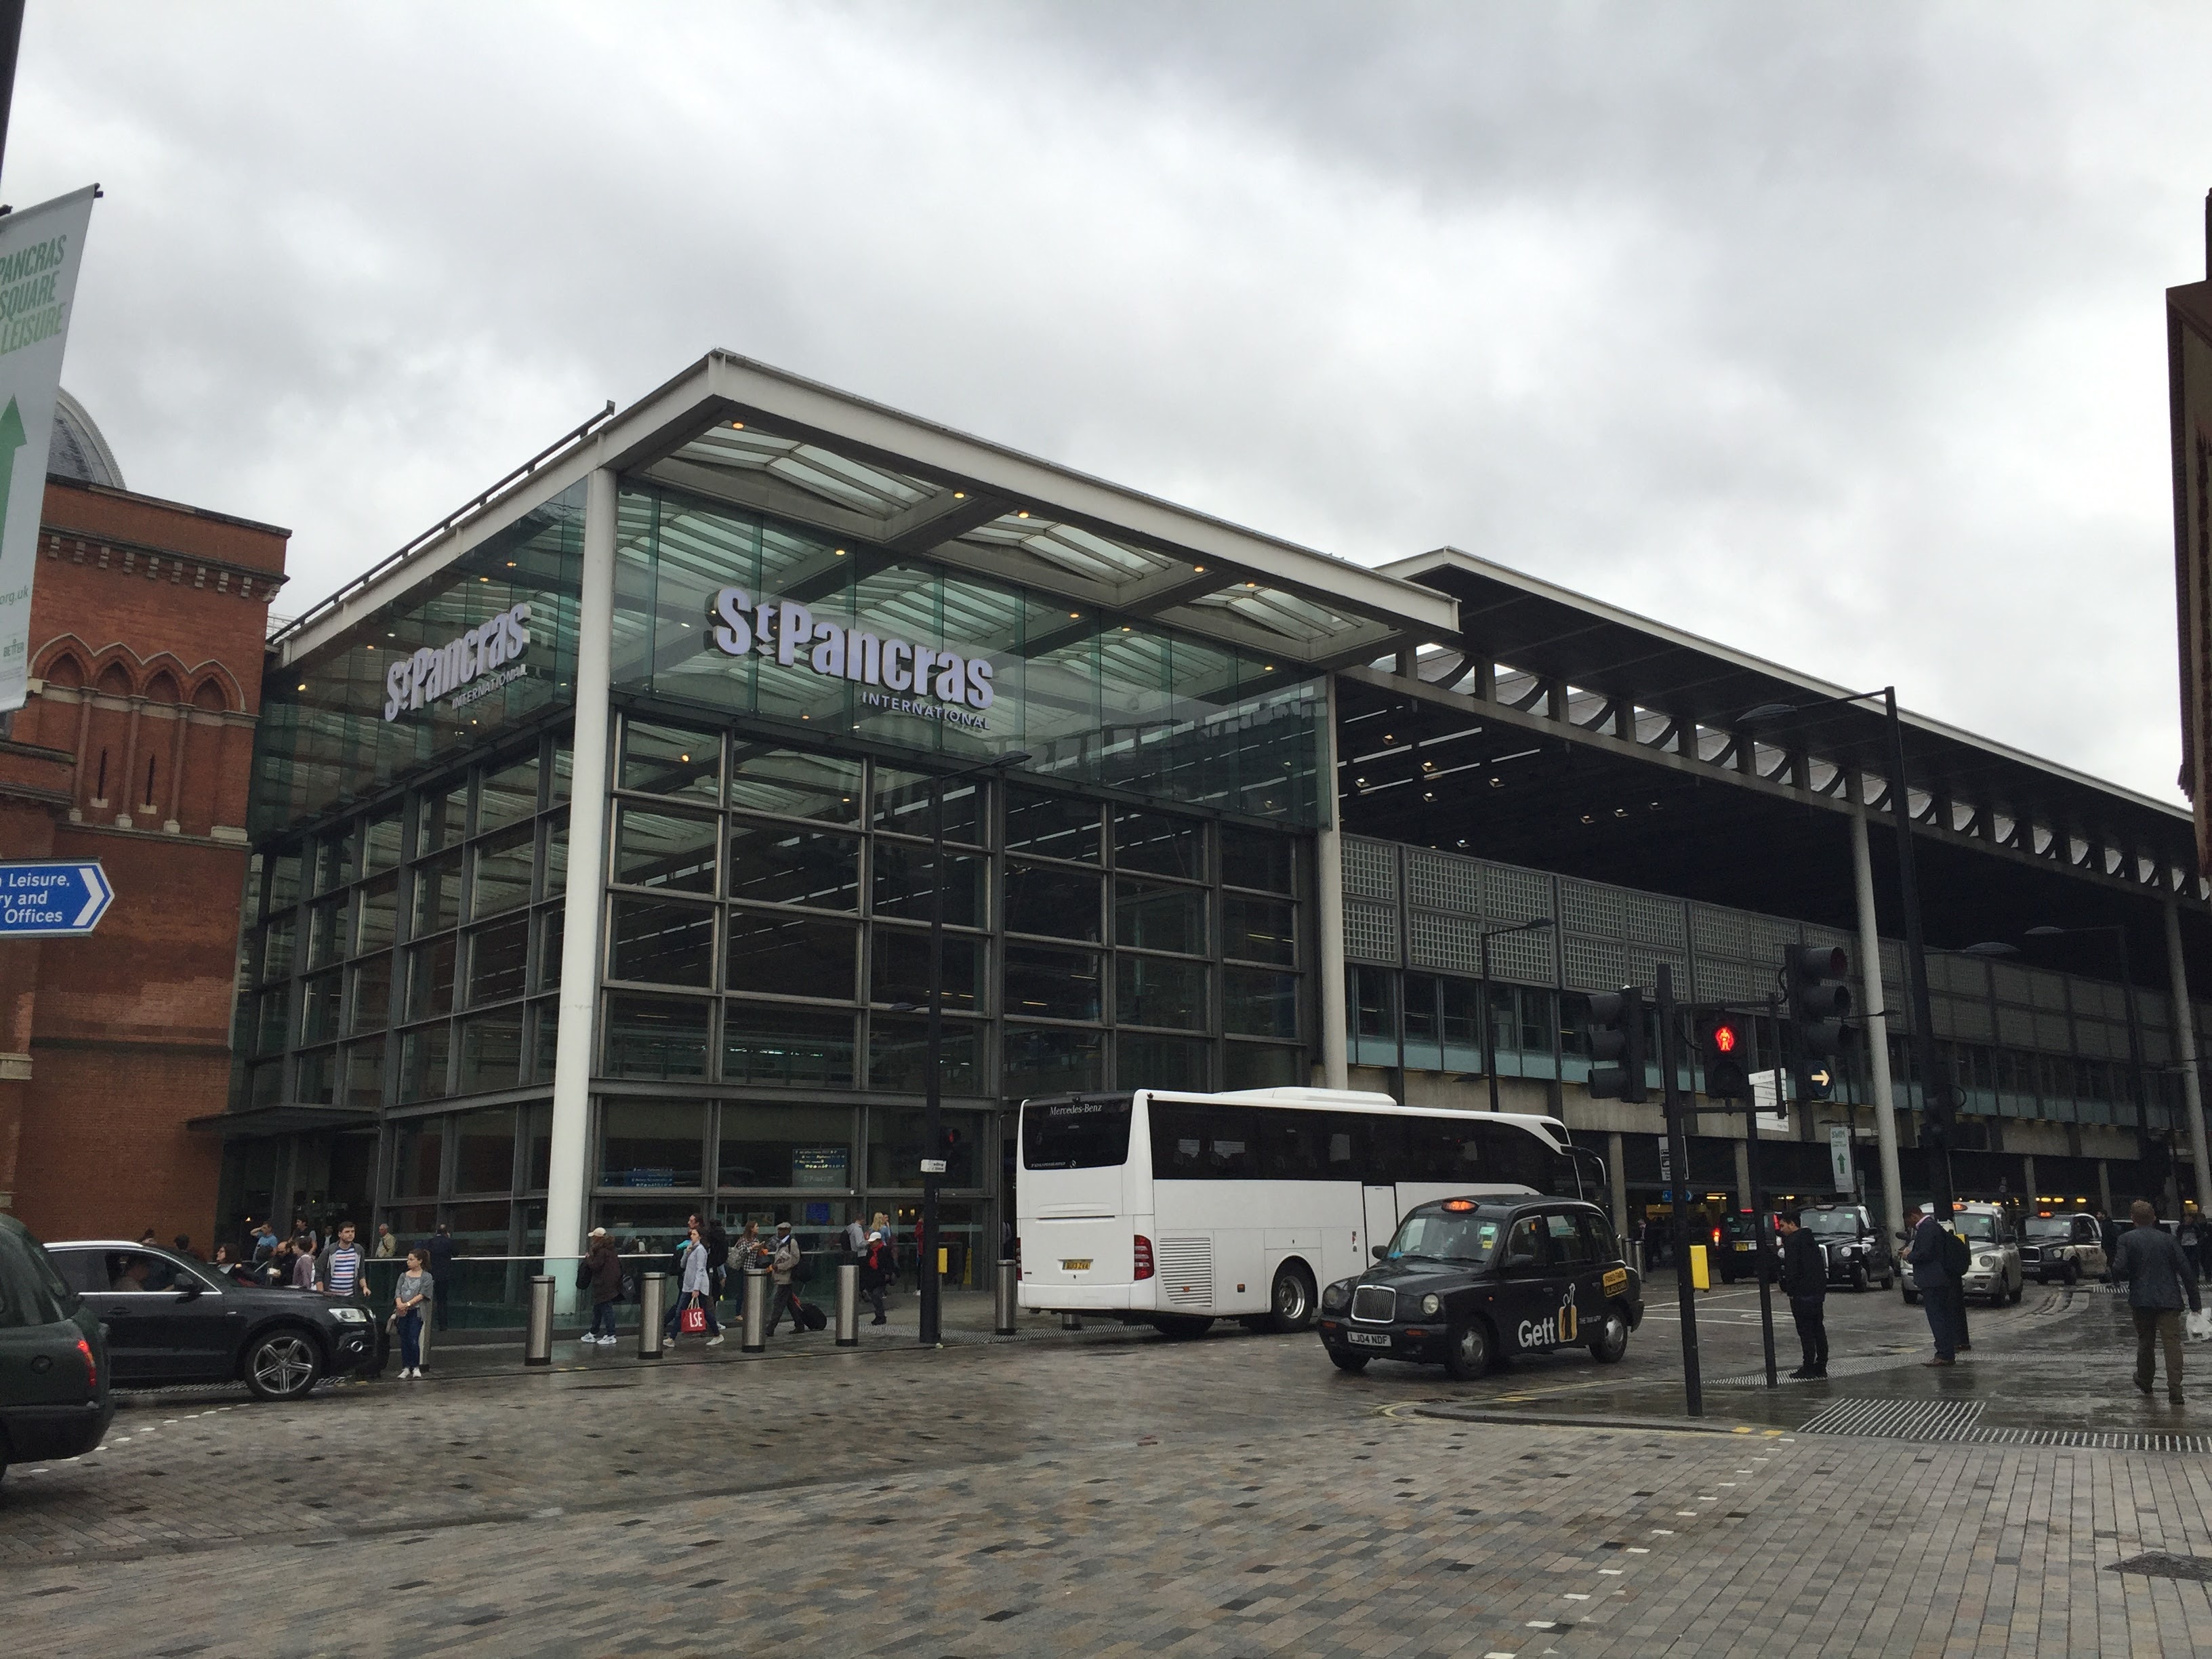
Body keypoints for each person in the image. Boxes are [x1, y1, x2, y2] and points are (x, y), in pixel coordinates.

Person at [2110, 1198, 2201, 1405]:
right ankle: (2176, 1390)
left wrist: (2127, 1273)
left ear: (2133, 1219)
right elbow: (2186, 1272)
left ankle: (2145, 1380)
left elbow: (2119, 1268)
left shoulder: (2126, 1239)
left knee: (2145, 1341)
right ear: (2153, 1218)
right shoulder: (2168, 1240)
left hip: (2141, 1300)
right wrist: (2195, 1303)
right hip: (2170, 1300)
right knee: (2172, 1344)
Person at [1776, 1213, 1828, 1379]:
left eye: (1783, 1225)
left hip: (1801, 1294)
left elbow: (1792, 1270)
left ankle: (1808, 1367)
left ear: (1792, 1224)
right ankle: (1821, 1365)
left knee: (1805, 1332)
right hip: (1816, 1293)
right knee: (1818, 1329)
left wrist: (1790, 1291)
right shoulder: (1811, 1240)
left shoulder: (1792, 1242)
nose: (1781, 1229)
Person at [1906, 1206, 1960, 1366]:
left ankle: (1944, 1353)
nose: (1910, 1226)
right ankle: (1946, 1352)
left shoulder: (1927, 1228)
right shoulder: (1934, 1226)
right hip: (1938, 1278)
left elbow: (1925, 1254)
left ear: (1914, 1215)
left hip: (1932, 1280)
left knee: (1937, 1317)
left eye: (1909, 1223)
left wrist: (1909, 1255)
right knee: (1942, 1316)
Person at [664, 1225, 724, 1347]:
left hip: (697, 1287)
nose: (692, 1236)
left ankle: (717, 1334)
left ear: (700, 1237)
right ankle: (672, 1338)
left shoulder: (701, 1250)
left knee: (703, 1311)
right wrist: (687, 1252)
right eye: (691, 1234)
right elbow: (682, 1265)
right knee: (682, 1311)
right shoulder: (692, 1249)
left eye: (694, 1234)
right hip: (688, 1285)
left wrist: (696, 1288)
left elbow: (700, 1270)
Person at [392, 1249, 433, 1379]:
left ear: (420, 1261)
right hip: (403, 1312)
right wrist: (400, 1304)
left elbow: (422, 1295)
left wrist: (408, 1304)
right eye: (408, 1259)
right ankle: (405, 1367)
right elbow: (398, 1291)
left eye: (411, 1259)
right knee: (404, 1339)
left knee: (413, 1338)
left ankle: (415, 1367)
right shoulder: (403, 1276)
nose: (408, 1262)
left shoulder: (426, 1277)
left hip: (416, 1311)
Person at [583, 1227, 623, 1345]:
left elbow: (596, 1266)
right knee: (599, 1309)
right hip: (610, 1282)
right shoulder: (611, 1249)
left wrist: (588, 1259)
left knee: (606, 1309)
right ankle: (593, 1332)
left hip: (603, 1284)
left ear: (597, 1238)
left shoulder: (601, 1251)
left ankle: (611, 1334)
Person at [768, 1221, 807, 1335]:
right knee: (790, 1303)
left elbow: (795, 1259)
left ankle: (770, 1328)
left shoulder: (792, 1243)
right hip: (781, 1276)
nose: (781, 1232)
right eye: (779, 1230)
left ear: (789, 1231)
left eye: (784, 1230)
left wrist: (779, 1267)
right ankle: (799, 1324)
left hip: (786, 1277)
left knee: (779, 1303)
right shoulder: (781, 1243)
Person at [318, 1221, 367, 1300]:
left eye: (353, 1232)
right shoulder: (329, 1251)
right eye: (347, 1232)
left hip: (350, 1296)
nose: (351, 1234)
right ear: (340, 1234)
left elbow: (361, 1272)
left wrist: (365, 1287)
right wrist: (321, 1294)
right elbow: (319, 1273)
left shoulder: (359, 1250)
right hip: (331, 1297)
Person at [859, 1229, 893, 1326]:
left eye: (873, 1242)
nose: (872, 1244)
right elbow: (867, 1264)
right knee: (873, 1295)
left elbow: (889, 1263)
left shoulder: (885, 1250)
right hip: (872, 1277)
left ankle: (880, 1315)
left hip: (881, 1277)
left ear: (878, 1241)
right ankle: (879, 1315)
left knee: (876, 1294)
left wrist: (888, 1274)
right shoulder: (870, 1251)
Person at [426, 1223, 455, 1332]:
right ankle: (442, 1325)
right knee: (442, 1300)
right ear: (446, 1232)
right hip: (444, 1275)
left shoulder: (431, 1242)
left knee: (427, 1299)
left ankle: (426, 1324)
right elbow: (456, 1253)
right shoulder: (448, 1242)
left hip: (431, 1274)